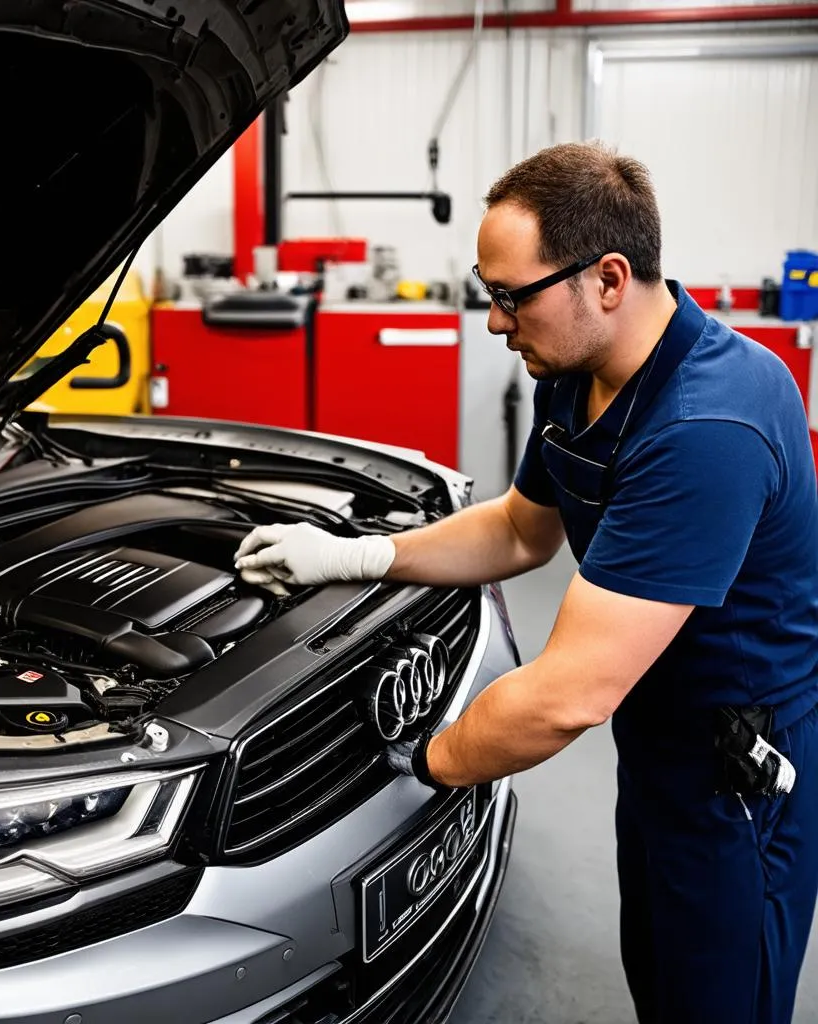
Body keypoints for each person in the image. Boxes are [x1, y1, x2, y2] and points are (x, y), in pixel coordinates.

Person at [233, 141, 818, 1024]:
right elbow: (517, 529)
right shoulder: (578, 373)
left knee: (721, 1000)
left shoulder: (709, 426)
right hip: (657, 736)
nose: (496, 324)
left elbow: (566, 695)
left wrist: (413, 763)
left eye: (511, 297)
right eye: (487, 293)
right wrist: (356, 554)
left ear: (609, 279)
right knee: (659, 972)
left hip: (732, 769)